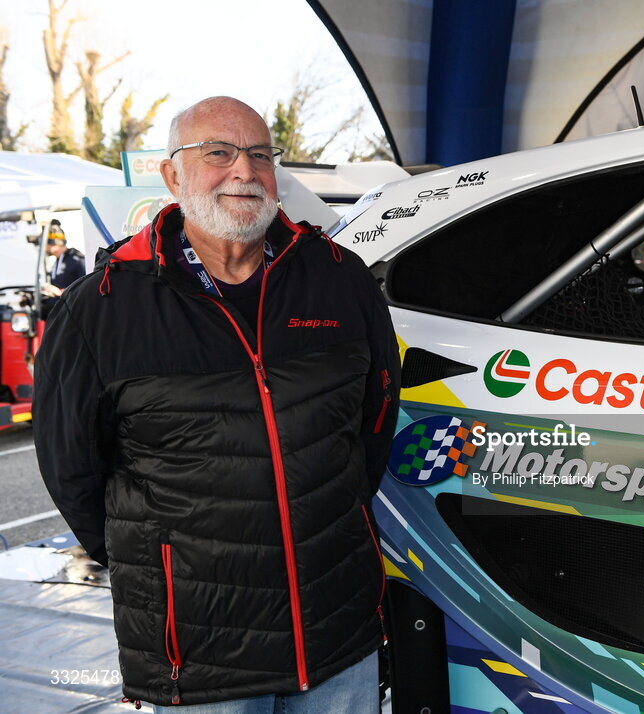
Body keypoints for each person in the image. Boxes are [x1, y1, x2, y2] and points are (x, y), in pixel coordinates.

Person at [33, 96, 400, 711]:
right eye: (218, 154)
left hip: (337, 624)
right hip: (201, 647)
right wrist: (158, 565)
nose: (244, 171)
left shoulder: (341, 278)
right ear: (173, 176)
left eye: (260, 154)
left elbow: (375, 421)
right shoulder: (100, 307)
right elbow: (71, 468)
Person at [39, 220, 86, 318]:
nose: (43, 248)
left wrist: (60, 292)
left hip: (71, 312)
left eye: (45, 244)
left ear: (54, 243)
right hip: (59, 309)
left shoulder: (76, 260)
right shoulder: (57, 261)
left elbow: (85, 289)